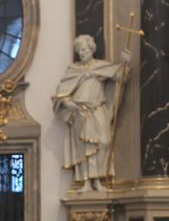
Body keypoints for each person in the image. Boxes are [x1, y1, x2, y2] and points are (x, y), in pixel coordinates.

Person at [53, 35, 131, 192]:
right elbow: (61, 94)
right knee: (84, 147)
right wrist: (68, 103)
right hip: (80, 112)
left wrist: (126, 62)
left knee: (104, 142)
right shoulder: (73, 70)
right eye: (79, 51)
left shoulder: (101, 67)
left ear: (91, 49)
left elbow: (120, 77)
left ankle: (99, 180)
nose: (81, 53)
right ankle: (88, 182)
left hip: (97, 109)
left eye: (83, 49)